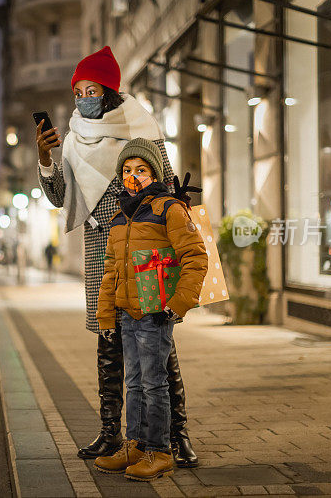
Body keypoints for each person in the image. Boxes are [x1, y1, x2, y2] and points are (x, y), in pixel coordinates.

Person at [36, 46, 199, 467]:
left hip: (145, 252)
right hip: (100, 255)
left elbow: (165, 186)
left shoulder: (140, 127)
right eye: (78, 91)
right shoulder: (72, 139)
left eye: (93, 88)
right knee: (108, 341)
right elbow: (59, 197)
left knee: (158, 346)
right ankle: (111, 433)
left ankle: (175, 436)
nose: (85, 97)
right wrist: (45, 158)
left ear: (108, 91)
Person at [92, 139, 207, 481]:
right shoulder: (118, 216)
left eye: (140, 170)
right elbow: (111, 269)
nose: (133, 177)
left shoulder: (168, 208)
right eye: (127, 171)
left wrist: (178, 304)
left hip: (156, 314)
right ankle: (136, 445)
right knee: (133, 383)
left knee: (155, 383)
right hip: (127, 314)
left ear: (154, 172)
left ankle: (160, 451)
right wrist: (106, 315)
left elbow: (195, 256)